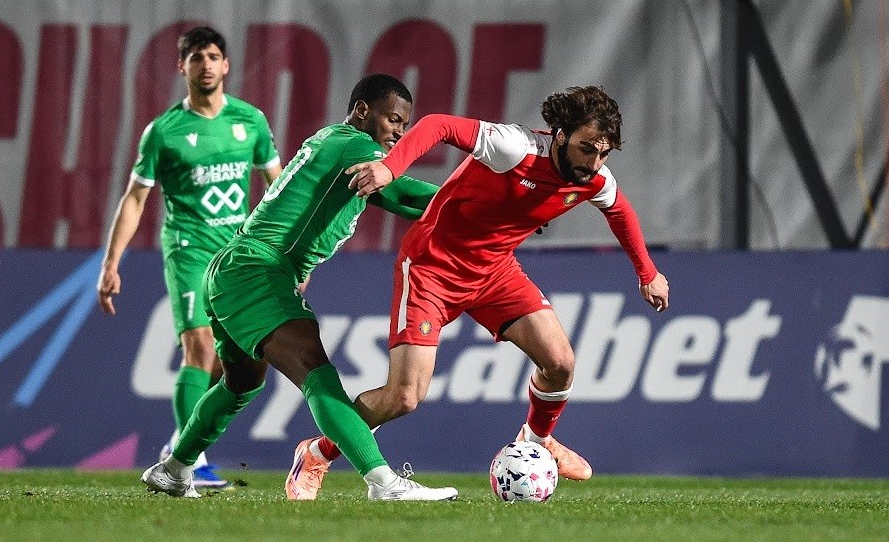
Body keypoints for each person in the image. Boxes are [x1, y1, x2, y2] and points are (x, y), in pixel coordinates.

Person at [286, 85, 670, 500]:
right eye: (586, 149)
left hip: (494, 272)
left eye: (604, 154)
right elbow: (438, 125)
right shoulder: (514, 147)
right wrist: (390, 168)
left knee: (560, 363)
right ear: (560, 135)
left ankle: (536, 442)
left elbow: (620, 211)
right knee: (404, 397)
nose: (593, 163)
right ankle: (316, 453)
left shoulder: (593, 179)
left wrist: (647, 272)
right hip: (432, 268)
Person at [140, 73, 458, 501]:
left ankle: (174, 469)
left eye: (404, 124)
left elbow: (396, 200)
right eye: (393, 120)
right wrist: (486, 204)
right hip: (256, 270)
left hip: (238, 268)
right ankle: (383, 481)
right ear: (362, 111)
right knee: (315, 370)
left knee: (241, 383)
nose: (399, 133)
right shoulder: (356, 147)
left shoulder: (335, 142)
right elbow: (408, 193)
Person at [97, 26, 282, 490]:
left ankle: (177, 446)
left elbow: (278, 189)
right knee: (198, 346)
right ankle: (190, 459)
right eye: (196, 57)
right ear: (182, 67)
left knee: (229, 362)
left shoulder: (250, 121)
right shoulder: (164, 132)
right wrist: (111, 263)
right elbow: (135, 199)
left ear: (226, 65)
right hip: (189, 249)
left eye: (213, 56)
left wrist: (284, 253)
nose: (206, 65)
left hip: (236, 254)